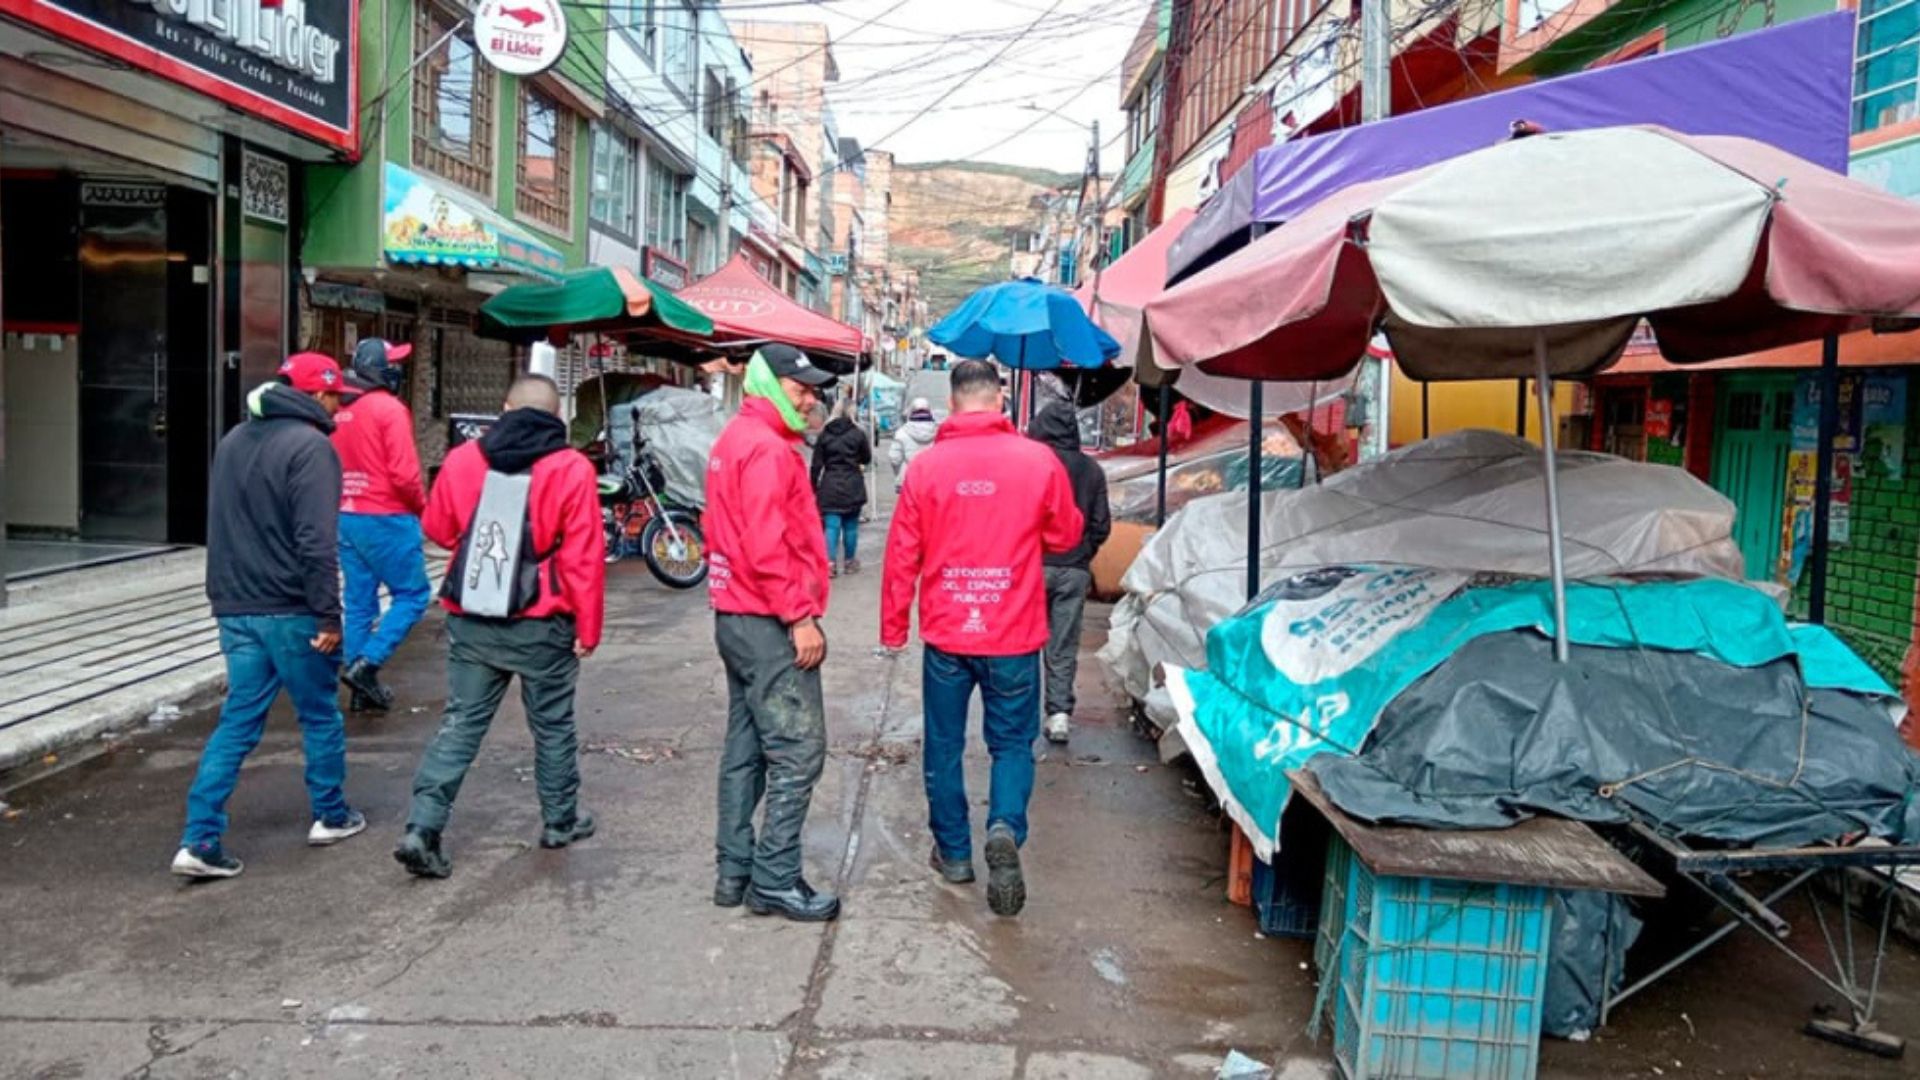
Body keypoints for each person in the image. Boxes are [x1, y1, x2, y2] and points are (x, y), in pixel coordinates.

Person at [881, 359, 1083, 917]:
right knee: (1011, 744)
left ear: (952, 404)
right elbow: (1067, 533)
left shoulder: (925, 468)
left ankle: (953, 854)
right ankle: (1003, 826)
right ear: (1000, 402)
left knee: (944, 745)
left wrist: (894, 627)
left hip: (948, 633)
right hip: (1013, 632)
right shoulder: (1037, 460)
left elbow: (902, 554)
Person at [393, 374, 605, 879]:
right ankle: (560, 820)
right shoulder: (571, 467)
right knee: (552, 725)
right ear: (557, 416)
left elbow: (437, 529)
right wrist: (588, 627)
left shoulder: (465, 458)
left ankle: (423, 826)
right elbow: (584, 557)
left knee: (462, 721)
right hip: (543, 622)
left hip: (473, 617)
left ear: (505, 408)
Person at [173, 353, 364, 879]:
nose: (338, 408)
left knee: (237, 722)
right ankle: (331, 815)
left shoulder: (233, 440)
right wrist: (329, 617)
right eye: (335, 398)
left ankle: (199, 839)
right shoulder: (312, 448)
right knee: (319, 714)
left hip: (236, 605)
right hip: (293, 610)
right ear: (317, 395)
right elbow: (316, 541)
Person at [705, 344, 841, 922]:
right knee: (797, 751)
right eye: (799, 388)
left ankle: (734, 871)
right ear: (767, 382)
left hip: (735, 613)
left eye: (811, 391)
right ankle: (775, 879)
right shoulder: (766, 448)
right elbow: (766, 545)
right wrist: (799, 616)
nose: (809, 400)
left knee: (745, 748)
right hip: (765, 618)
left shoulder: (735, 438)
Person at [333, 338, 432, 713]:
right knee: (413, 595)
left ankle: (361, 689)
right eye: (393, 363)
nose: (397, 370)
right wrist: (422, 508)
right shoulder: (389, 408)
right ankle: (367, 665)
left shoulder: (339, 409)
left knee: (359, 603)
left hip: (346, 515)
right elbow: (405, 474)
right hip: (387, 515)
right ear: (379, 368)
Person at [1027, 402, 1112, 745]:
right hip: (1074, 569)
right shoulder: (1092, 470)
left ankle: (1022, 711)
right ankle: (1059, 714)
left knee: (1025, 641)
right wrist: (1083, 552)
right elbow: (1102, 525)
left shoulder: (1032, 465)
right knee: (1062, 643)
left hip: (1033, 566)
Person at [811, 397, 871, 576]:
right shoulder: (858, 433)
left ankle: (830, 564)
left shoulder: (824, 434)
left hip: (830, 485)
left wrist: (812, 486)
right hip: (853, 483)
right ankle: (850, 562)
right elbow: (866, 458)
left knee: (831, 527)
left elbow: (816, 465)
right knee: (851, 527)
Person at [887, 397, 938, 494]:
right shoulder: (938, 432)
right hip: (932, 479)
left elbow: (894, 458)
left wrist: (898, 474)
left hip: (908, 479)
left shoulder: (902, 433)